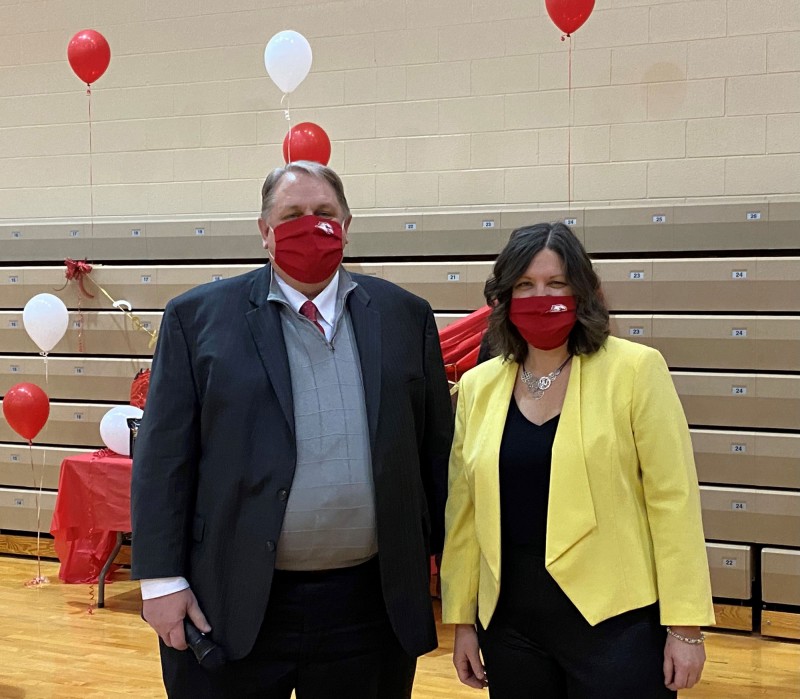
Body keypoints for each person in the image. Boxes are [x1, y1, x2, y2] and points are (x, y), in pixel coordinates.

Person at [131, 160, 453, 699]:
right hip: (230, 598)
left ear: (347, 225)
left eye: (325, 213)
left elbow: (434, 457)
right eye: (292, 215)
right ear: (264, 231)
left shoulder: (404, 316)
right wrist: (161, 580)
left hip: (369, 606)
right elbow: (164, 460)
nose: (312, 225)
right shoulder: (198, 319)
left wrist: (460, 586)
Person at [440, 222, 714, 699]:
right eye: (525, 285)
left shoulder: (635, 369)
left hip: (616, 624)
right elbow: (464, 515)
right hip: (510, 630)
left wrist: (685, 627)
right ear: (504, 297)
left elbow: (674, 502)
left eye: (555, 283)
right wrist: (462, 620)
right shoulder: (478, 386)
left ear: (582, 291)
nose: (540, 296)